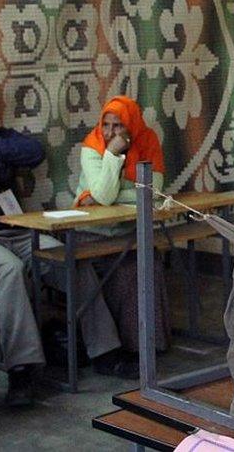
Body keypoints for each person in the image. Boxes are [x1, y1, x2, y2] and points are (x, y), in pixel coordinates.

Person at [0, 82, 137, 407]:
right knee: (9, 269)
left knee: (68, 259)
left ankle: (106, 352)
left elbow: (35, 152)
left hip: (17, 231)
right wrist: (6, 164)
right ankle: (22, 370)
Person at [74, 95, 170, 353]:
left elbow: (153, 191)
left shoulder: (147, 140)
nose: (109, 132)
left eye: (118, 126)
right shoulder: (92, 146)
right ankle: (114, 348)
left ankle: (144, 348)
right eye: (106, 125)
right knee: (108, 266)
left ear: (132, 125)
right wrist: (112, 154)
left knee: (143, 263)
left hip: (128, 232)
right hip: (90, 233)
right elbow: (107, 194)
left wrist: (104, 197)